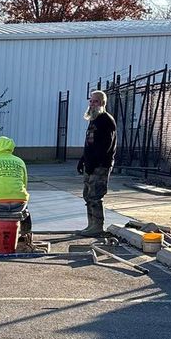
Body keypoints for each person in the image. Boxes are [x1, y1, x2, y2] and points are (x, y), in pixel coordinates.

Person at [77, 89, 117, 236]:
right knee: (87, 194)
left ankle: (97, 226)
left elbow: (105, 146)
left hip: (100, 165)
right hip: (90, 164)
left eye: (95, 101)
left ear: (102, 103)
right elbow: (90, 143)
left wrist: (95, 162)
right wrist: (83, 160)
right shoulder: (93, 119)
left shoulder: (106, 120)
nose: (92, 104)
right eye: (91, 101)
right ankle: (91, 224)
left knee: (95, 195)